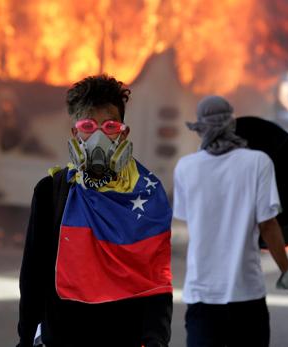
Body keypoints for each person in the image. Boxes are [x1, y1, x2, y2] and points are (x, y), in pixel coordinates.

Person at [16, 74, 174, 347]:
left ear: (123, 132)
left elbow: (156, 281)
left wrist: (155, 338)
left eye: (110, 125)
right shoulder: (50, 192)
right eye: (88, 125)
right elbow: (33, 275)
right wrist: (27, 336)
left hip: (123, 338)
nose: (98, 135)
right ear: (75, 132)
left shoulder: (148, 194)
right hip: (63, 339)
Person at [172, 95, 288, 347]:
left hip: (201, 294)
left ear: (200, 129)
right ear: (232, 124)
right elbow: (268, 225)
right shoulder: (257, 162)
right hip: (246, 293)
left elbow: (190, 218)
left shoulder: (185, 167)